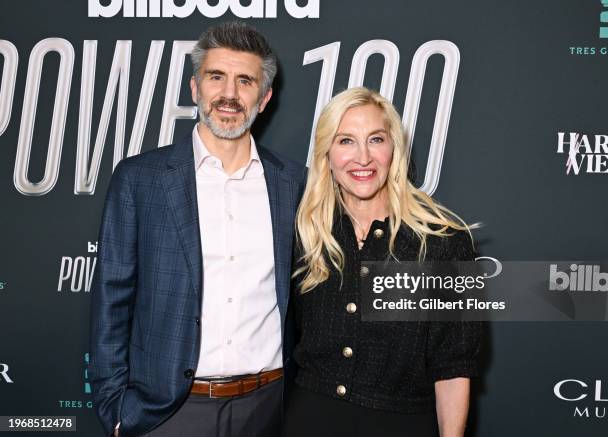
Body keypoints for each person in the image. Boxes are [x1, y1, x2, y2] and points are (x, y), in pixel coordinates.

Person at [89, 21, 305, 437]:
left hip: (269, 408)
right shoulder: (140, 179)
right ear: (195, 88)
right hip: (166, 412)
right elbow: (111, 300)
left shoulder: (294, 183)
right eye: (216, 77)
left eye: (245, 81)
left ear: (265, 97)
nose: (229, 94)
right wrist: (116, 408)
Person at [283, 87, 482, 437]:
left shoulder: (443, 243)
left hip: (401, 423)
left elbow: (453, 368)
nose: (363, 158)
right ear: (326, 154)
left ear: (394, 149)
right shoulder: (305, 232)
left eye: (375, 139)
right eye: (346, 141)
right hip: (308, 420)